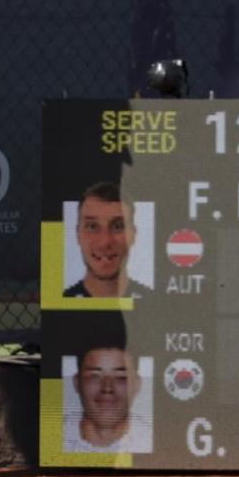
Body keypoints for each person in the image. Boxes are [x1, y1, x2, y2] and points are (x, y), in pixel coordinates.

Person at [63, 318, 151, 455]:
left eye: (121, 377)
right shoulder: (56, 437)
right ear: (77, 382)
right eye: (94, 376)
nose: (107, 388)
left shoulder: (153, 439)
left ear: (137, 384)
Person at [63, 180, 152, 300]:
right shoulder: (61, 304)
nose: (105, 242)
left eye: (118, 226)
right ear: (77, 234)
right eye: (92, 227)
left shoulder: (155, 303)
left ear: (133, 234)